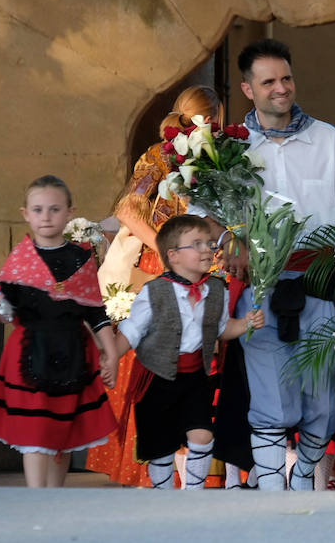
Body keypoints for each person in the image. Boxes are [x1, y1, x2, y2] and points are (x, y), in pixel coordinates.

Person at [223, 38, 335, 491]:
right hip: (261, 288)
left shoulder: (326, 137)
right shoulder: (231, 149)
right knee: (270, 397)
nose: (280, 88)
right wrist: (233, 242)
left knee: (322, 404)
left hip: (321, 283)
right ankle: (271, 491)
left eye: (286, 78)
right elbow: (218, 218)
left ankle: (304, 474)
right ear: (248, 89)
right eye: (268, 81)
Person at [88, 85, 224, 487]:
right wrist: (166, 251)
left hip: (205, 263)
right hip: (174, 262)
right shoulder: (165, 153)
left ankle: (188, 471)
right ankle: (171, 473)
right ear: (210, 116)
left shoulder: (215, 154)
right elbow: (128, 209)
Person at [0, 175, 120, 487]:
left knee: (63, 433)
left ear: (70, 213)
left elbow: (95, 311)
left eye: (54, 209)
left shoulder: (82, 258)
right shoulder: (19, 260)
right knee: (35, 431)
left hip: (74, 352)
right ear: (25, 214)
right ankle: (35, 499)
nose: (46, 216)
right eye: (39, 209)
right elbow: (7, 313)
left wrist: (110, 356)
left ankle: (54, 499)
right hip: (29, 353)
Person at [112, 214, 264, 490]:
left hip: (195, 378)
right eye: (197, 244)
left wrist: (245, 323)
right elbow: (131, 332)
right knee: (160, 445)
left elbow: (222, 328)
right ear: (174, 256)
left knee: (203, 435)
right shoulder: (154, 291)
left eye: (209, 243)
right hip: (157, 378)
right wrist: (110, 358)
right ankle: (163, 493)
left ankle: (193, 492)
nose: (208, 249)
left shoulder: (216, 289)